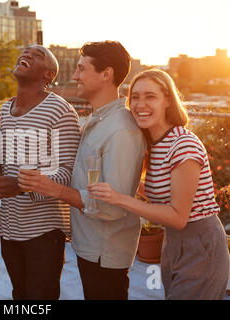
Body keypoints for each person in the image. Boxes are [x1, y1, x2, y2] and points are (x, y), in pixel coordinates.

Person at [18, 41, 146, 300]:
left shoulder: (121, 130)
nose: (75, 76)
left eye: (81, 69)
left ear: (106, 74)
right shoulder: (95, 121)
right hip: (90, 248)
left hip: (105, 253)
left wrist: (52, 188)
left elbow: (112, 206)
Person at [87, 69, 229, 300]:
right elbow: (161, 194)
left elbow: (178, 217)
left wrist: (120, 198)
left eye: (150, 96)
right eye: (135, 96)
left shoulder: (183, 145)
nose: (140, 104)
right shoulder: (152, 144)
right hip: (174, 242)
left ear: (167, 102)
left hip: (201, 244)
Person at [0, 45, 81, 300]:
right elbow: (6, 162)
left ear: (48, 76)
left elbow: (67, 174)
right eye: (25, 51)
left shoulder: (61, 111)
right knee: (20, 295)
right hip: (9, 227)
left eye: (37, 55)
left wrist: (20, 185)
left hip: (44, 232)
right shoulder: (5, 109)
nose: (25, 54)